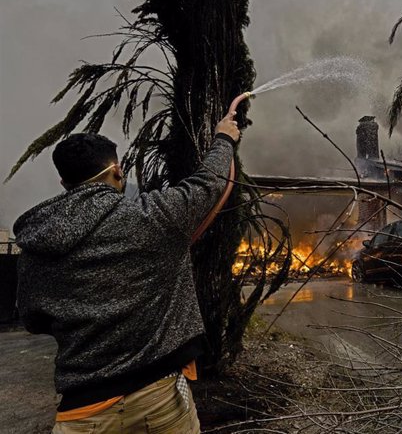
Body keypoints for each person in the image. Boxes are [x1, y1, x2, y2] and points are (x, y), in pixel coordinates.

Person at [13, 109, 240, 434]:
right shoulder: (152, 216)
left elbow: (33, 320)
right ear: (118, 171)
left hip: (81, 413)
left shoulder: (36, 242)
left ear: (65, 183)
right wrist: (224, 138)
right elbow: (208, 183)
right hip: (158, 401)